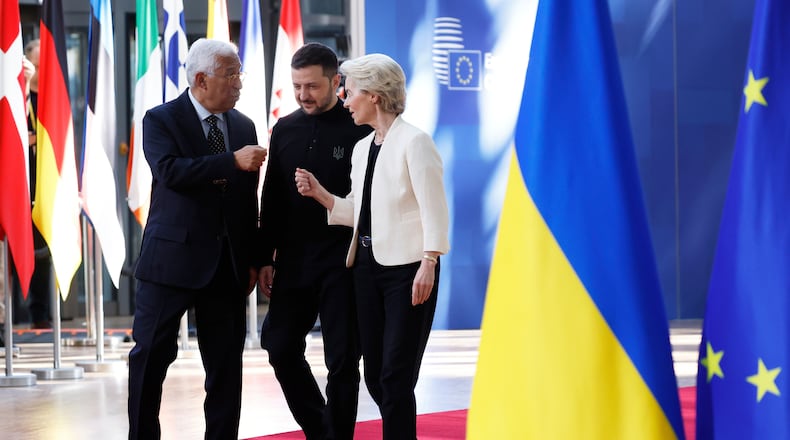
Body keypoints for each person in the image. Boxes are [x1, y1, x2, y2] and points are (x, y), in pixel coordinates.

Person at [295, 53, 450, 440]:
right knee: (377, 375)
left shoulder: (415, 142)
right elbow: (363, 212)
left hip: (410, 270)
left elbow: (435, 210)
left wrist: (429, 262)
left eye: (352, 92)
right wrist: (324, 197)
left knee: (395, 376)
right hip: (366, 269)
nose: (345, 100)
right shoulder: (363, 148)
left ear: (375, 96)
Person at [127, 38, 267, 440]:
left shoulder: (242, 125)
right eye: (231, 74)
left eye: (240, 72)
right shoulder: (161, 119)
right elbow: (170, 172)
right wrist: (230, 161)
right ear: (201, 79)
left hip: (227, 266)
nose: (239, 82)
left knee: (225, 369)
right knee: (151, 358)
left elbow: (247, 199)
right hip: (170, 262)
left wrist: (255, 258)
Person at [256, 42, 371, 440]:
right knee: (280, 345)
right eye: (297, 86)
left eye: (312, 86)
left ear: (336, 81)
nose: (303, 94)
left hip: (344, 261)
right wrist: (265, 257)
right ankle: (322, 430)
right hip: (293, 260)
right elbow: (271, 198)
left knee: (342, 360)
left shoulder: (361, 127)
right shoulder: (284, 129)